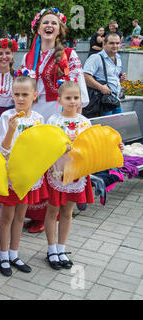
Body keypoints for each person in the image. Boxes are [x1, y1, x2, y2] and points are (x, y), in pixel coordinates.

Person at [21, 7, 89, 233]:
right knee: (37, 163)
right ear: (37, 28)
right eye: (44, 23)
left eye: (54, 23)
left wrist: (74, 119)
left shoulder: (69, 54)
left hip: (58, 112)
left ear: (60, 29)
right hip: (35, 113)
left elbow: (78, 88)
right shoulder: (28, 56)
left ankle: (49, 214)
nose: (49, 26)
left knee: (55, 163)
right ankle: (31, 212)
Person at [44, 81, 124, 269]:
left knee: (67, 211)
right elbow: (46, 147)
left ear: (81, 100)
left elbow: (95, 145)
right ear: (59, 100)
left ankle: (62, 248)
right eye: (68, 98)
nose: (72, 102)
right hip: (58, 172)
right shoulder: (53, 121)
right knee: (53, 210)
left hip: (78, 174)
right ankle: (51, 249)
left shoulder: (85, 122)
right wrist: (62, 145)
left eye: (76, 98)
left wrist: (114, 146)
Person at [0, 74, 47, 277]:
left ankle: (15, 254)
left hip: (28, 176)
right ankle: (3, 255)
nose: (20, 98)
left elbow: (41, 147)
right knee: (7, 216)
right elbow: (2, 149)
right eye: (17, 94)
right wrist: (10, 131)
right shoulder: (7, 117)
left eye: (25, 94)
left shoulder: (39, 119)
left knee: (21, 216)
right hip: (11, 175)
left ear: (35, 95)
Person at [84, 32, 127, 116]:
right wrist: (101, 87)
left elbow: (112, 77)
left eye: (117, 43)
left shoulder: (118, 57)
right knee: (105, 128)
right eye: (111, 43)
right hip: (102, 102)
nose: (115, 46)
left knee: (116, 127)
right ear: (104, 44)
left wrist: (120, 79)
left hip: (115, 100)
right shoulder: (96, 58)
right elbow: (85, 76)